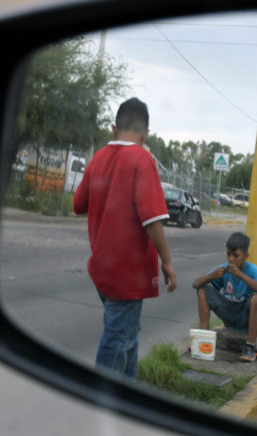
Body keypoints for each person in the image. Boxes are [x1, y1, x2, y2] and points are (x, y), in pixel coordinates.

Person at [73, 97, 177, 378]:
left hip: (102, 270)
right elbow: (152, 220)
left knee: (128, 334)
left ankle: (126, 393)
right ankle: (102, 402)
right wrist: (167, 262)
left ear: (112, 129)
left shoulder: (98, 157)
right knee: (118, 339)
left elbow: (78, 205)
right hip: (126, 273)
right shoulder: (141, 159)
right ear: (146, 134)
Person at [192, 232, 257, 362]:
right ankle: (203, 339)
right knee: (202, 291)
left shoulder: (252, 269)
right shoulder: (223, 269)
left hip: (245, 317)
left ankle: (250, 347)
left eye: (236, 256)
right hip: (230, 314)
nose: (231, 259)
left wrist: (240, 275)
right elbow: (195, 284)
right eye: (228, 254)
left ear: (246, 256)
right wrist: (211, 276)